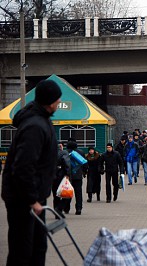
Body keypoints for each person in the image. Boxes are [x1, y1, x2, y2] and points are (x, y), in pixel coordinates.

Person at [1, 79, 62, 265]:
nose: (59, 103)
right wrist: (32, 200)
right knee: (23, 252)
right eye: (58, 100)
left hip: (33, 197)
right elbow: (23, 167)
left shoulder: (40, 120)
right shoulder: (35, 126)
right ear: (51, 102)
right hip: (24, 200)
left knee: (37, 248)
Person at [65, 138, 86, 215]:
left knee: (67, 192)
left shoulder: (65, 153)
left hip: (68, 176)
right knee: (78, 193)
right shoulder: (80, 152)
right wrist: (84, 172)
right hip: (78, 175)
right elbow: (84, 163)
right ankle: (79, 208)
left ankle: (66, 208)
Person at [52, 142, 71, 218]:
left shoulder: (49, 153)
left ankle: (57, 214)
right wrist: (67, 174)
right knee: (66, 193)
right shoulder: (64, 153)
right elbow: (67, 163)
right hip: (61, 175)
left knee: (55, 194)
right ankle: (59, 208)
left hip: (52, 176)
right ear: (61, 146)